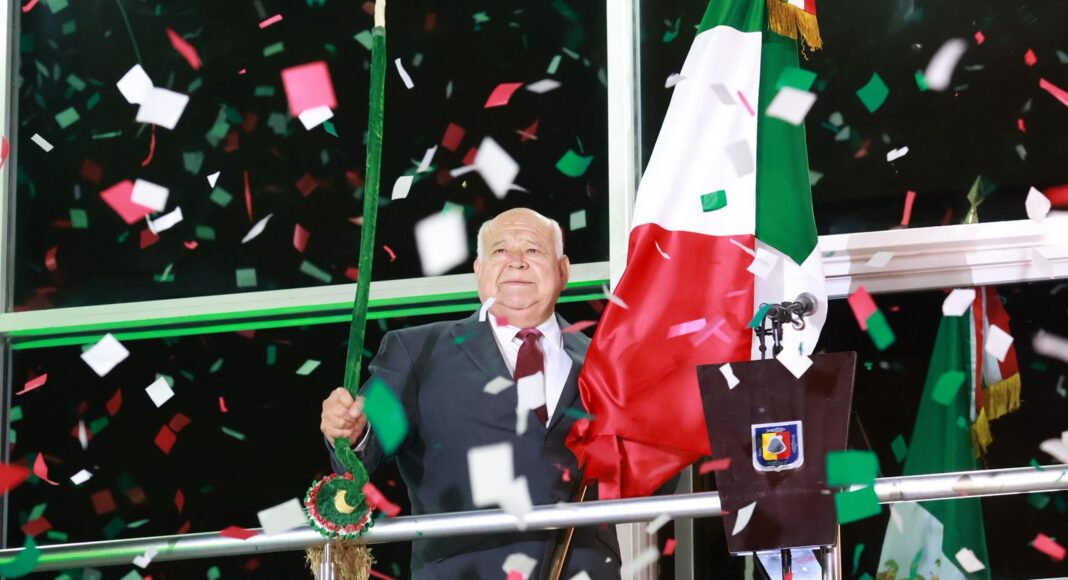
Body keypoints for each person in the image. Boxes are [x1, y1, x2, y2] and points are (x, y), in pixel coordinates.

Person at [320, 208, 621, 579]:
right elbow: (367, 440)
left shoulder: (606, 362)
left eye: (534, 250)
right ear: (478, 271)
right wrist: (351, 430)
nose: (517, 262)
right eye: (499, 252)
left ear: (563, 271)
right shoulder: (416, 351)